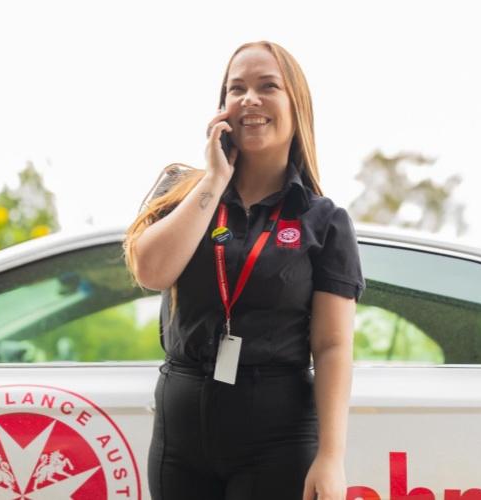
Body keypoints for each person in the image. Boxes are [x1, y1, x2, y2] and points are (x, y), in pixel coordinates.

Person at [123, 40, 364, 500]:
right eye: (237, 89)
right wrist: (214, 179)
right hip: (181, 431)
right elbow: (151, 271)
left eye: (267, 86)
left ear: (296, 105)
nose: (250, 99)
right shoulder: (181, 191)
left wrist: (331, 457)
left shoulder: (324, 221)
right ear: (222, 109)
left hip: (277, 435)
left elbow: (332, 346)